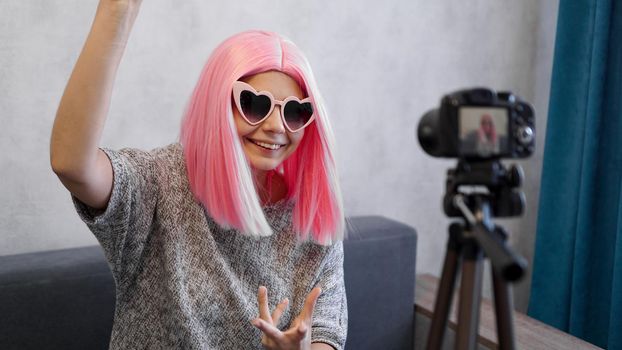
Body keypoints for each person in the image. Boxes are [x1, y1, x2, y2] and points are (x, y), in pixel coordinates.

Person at [50, 1, 347, 349]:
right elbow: (73, 164)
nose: (275, 127)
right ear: (217, 102)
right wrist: (117, 12)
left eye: (295, 112)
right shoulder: (160, 183)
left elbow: (327, 334)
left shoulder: (313, 219)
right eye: (254, 104)